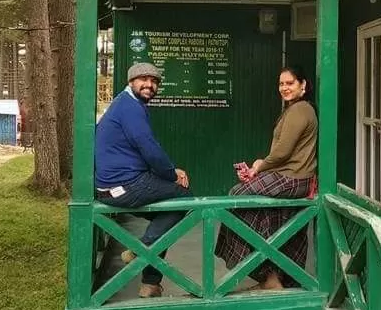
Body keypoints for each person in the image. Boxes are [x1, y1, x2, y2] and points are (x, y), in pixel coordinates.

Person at [215, 65, 318, 291]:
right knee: (267, 218)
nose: (284, 88)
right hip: (291, 176)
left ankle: (259, 269)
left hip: (293, 178)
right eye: (281, 84)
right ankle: (272, 278)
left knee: (236, 197)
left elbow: (282, 152)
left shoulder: (300, 110)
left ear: (303, 86)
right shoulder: (297, 110)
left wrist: (259, 167)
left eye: (289, 83)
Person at [94, 63, 192, 298]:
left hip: (120, 183)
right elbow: (149, 148)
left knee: (164, 219)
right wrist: (172, 174)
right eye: (143, 79)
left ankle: (150, 283)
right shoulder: (129, 107)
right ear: (131, 82)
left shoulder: (126, 104)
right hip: (121, 186)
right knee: (183, 198)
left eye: (154, 81)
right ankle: (142, 250)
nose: (149, 84)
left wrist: (168, 171)